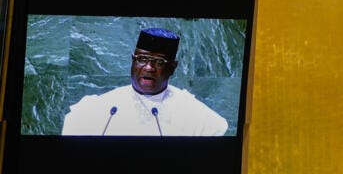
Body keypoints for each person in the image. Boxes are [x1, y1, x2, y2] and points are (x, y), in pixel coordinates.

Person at [61, 27, 228, 136]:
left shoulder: (194, 113)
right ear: (132, 61)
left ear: (173, 67)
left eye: (159, 62)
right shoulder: (101, 108)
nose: (148, 67)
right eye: (141, 59)